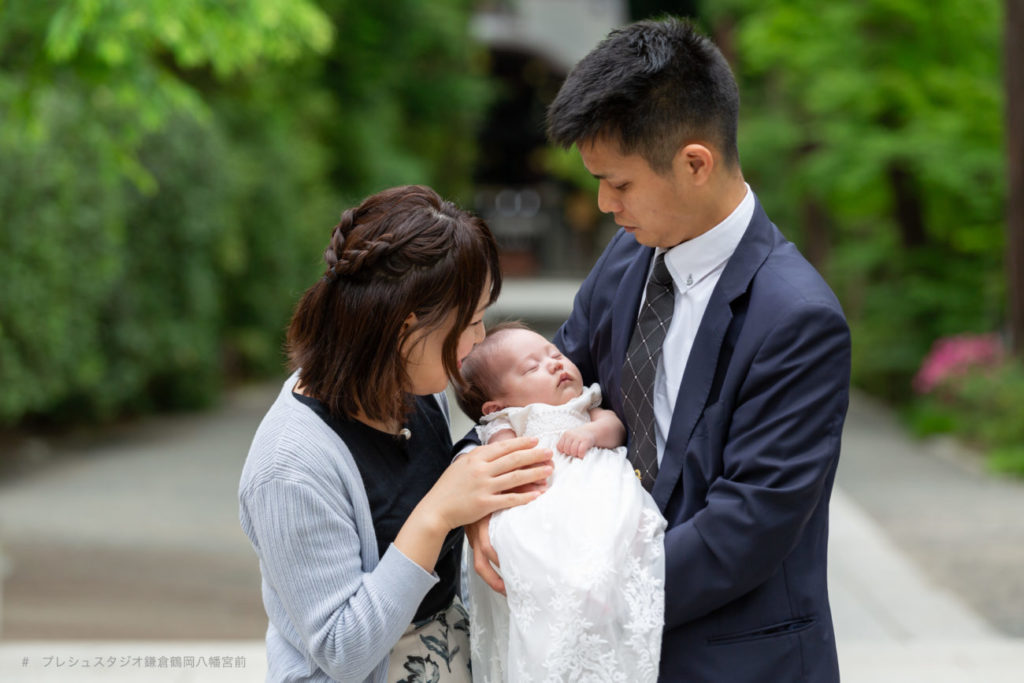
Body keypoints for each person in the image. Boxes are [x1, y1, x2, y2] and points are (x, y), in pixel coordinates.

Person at [465, 17, 851, 682]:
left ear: (695, 162)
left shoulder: (799, 319)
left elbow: (747, 526)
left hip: (731, 656)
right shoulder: (627, 257)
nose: (603, 204)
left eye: (618, 183)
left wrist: (588, 598)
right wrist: (484, 503)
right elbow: (542, 394)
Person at [238, 185, 554, 683]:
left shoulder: (415, 388)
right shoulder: (290, 467)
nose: (478, 340)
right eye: (469, 323)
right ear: (407, 327)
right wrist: (437, 514)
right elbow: (341, 652)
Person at [454, 323, 666, 683]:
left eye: (554, 354)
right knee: (536, 560)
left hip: (598, 498)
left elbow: (614, 426)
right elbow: (494, 459)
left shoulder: (584, 405)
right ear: (496, 405)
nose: (554, 364)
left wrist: (590, 432)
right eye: (531, 367)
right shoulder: (507, 422)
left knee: (606, 559)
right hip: (540, 502)